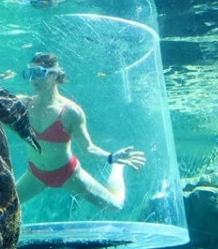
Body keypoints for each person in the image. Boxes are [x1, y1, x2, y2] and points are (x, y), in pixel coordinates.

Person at [16, 52, 146, 208]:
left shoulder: (71, 112)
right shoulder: (22, 104)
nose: (32, 79)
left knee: (116, 205)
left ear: (53, 75)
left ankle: (117, 169)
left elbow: (88, 148)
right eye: (29, 73)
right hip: (35, 174)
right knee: (2, 208)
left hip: (68, 173)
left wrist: (111, 157)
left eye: (37, 73)